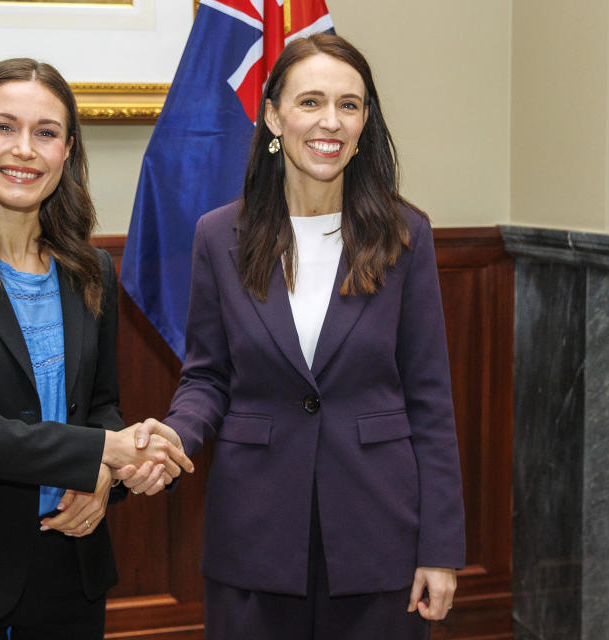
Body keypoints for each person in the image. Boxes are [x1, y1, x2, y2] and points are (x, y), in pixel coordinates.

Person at [127, 33, 465, 639]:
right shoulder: (217, 236)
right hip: (253, 534)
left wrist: (439, 548)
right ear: (273, 114)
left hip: (378, 536)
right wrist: (173, 435)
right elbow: (207, 377)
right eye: (309, 102)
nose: (329, 121)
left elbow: (431, 403)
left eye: (349, 104)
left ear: (366, 122)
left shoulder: (405, 234)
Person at [0, 58, 193, 639]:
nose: (24, 149)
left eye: (45, 133)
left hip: (72, 564)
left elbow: (101, 406)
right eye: (4, 127)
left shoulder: (90, 269)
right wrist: (107, 450)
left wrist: (103, 478)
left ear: (67, 150)